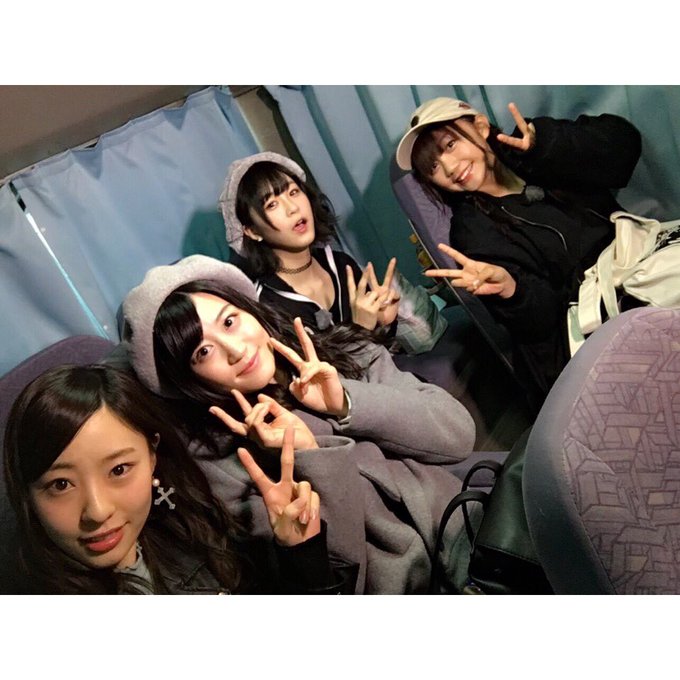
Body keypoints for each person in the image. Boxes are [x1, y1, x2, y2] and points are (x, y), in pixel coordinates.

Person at [122, 254, 477, 594]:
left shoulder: (342, 350)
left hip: (466, 525)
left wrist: (346, 402)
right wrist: (309, 454)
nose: (236, 350)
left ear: (250, 309)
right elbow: (340, 579)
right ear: (188, 381)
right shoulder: (222, 463)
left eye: (229, 321)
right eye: (203, 352)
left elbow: (459, 435)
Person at [3, 363, 350, 594]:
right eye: (61, 484)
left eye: (119, 470)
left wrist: (301, 553)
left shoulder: (187, 527)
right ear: (26, 492)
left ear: (152, 456)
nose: (96, 511)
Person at [395, 97, 642, 406]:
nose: (448, 167)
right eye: (432, 166)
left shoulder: (536, 149)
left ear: (480, 126)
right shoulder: (471, 233)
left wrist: (548, 146)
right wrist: (512, 290)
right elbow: (542, 319)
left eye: (450, 145)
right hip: (581, 329)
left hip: (636, 265)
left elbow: (624, 150)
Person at [219, 151, 446, 355]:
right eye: (272, 204)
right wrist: (360, 329)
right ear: (252, 231)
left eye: (294, 192)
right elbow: (322, 381)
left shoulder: (341, 265)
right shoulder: (265, 304)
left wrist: (385, 322)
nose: (293, 208)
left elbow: (383, 355)